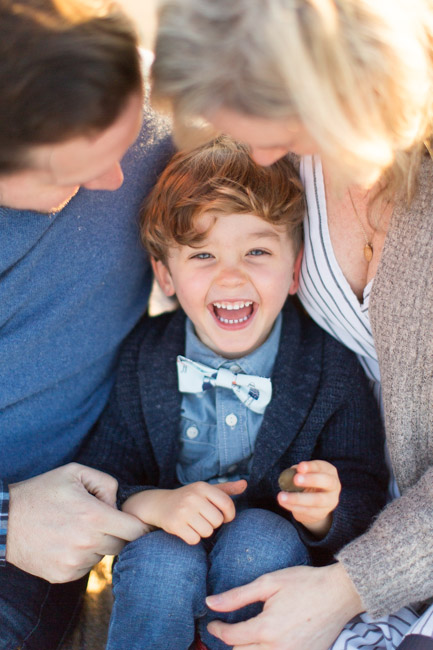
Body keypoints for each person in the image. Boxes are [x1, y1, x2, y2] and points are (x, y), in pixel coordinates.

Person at [150, 0, 433, 649]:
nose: (259, 152)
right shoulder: (281, 166)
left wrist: (349, 586)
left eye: (282, 123)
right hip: (361, 517)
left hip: (386, 557)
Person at [76, 136, 388, 650]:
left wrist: (327, 511)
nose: (230, 275)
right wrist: (154, 503)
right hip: (166, 568)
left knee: (259, 537)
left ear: (294, 270)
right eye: (202, 254)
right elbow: (104, 474)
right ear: (165, 273)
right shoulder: (144, 358)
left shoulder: (328, 364)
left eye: (257, 250)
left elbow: (364, 485)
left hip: (268, 566)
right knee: (160, 559)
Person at [0, 0, 173, 647]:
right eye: (72, 173)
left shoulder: (138, 101)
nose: (117, 179)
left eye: (128, 138)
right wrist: (5, 520)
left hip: (44, 547)